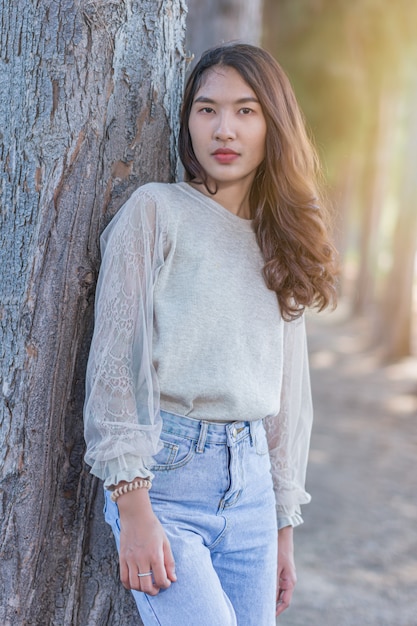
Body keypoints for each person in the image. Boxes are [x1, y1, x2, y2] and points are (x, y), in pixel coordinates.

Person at [83, 42, 338, 626]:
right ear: (188, 122)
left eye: (246, 111)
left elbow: (286, 392)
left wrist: (282, 531)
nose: (224, 129)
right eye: (207, 109)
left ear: (274, 124)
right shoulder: (156, 212)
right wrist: (134, 510)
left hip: (250, 493)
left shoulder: (283, 242)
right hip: (164, 481)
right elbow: (116, 364)